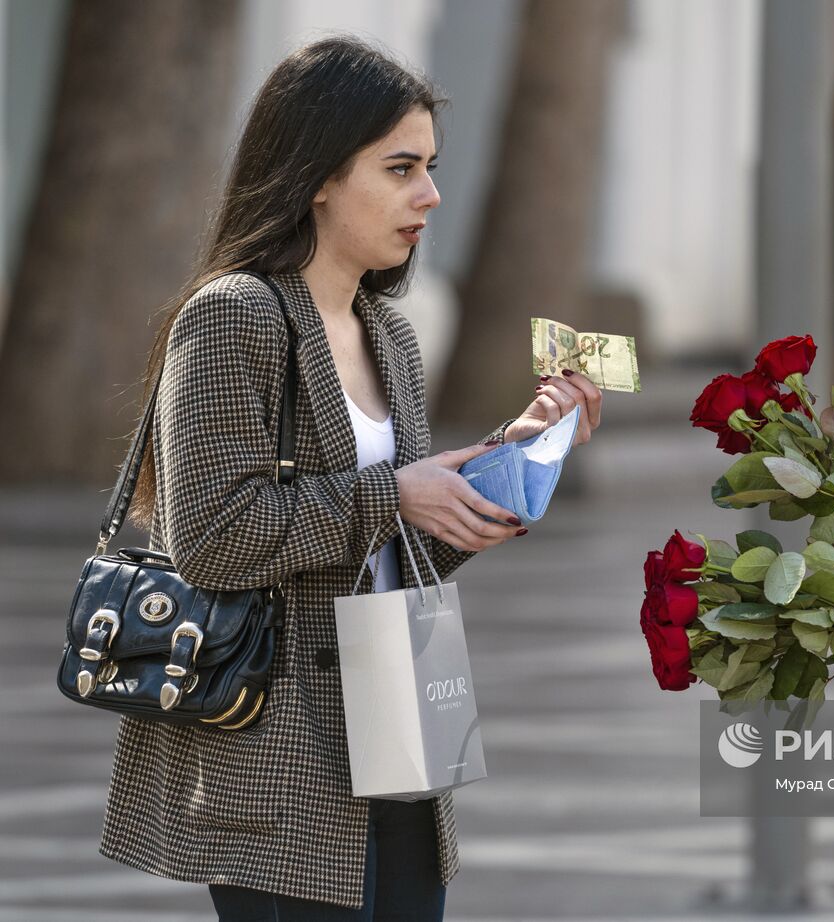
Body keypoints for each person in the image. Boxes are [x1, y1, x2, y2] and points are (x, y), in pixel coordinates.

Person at [98, 38, 604, 919]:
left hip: (399, 724)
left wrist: (506, 461)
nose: (431, 195)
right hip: (276, 752)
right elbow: (213, 539)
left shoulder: (391, 336)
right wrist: (396, 493)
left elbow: (393, 557)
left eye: (431, 167)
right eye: (400, 167)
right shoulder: (234, 318)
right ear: (319, 175)